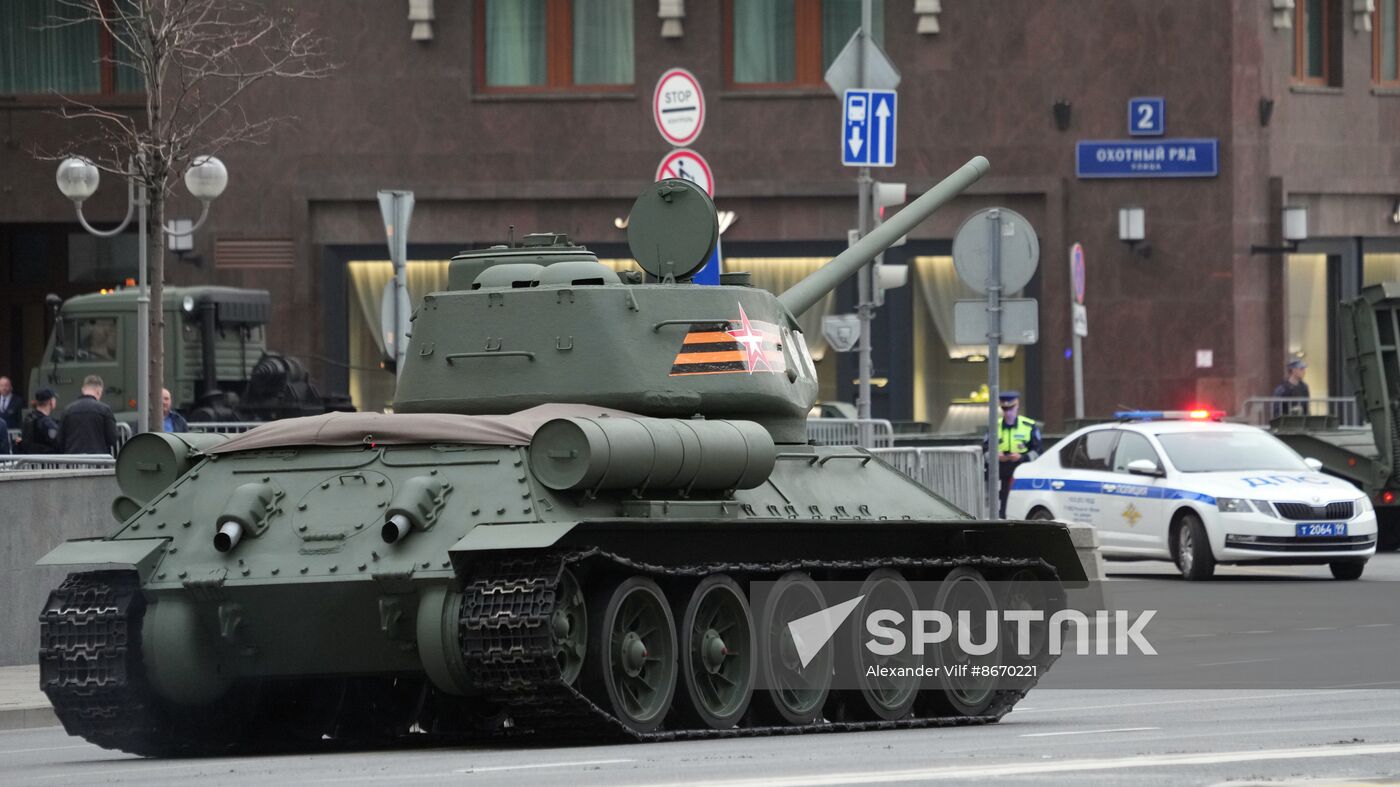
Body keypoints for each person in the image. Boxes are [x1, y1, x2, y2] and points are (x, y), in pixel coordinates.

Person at [995, 390, 1041, 518]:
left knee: (1023, 506)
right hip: (1002, 474)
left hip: (1023, 473)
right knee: (1003, 509)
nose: (1008, 412)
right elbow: (985, 451)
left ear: (1017, 405)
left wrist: (1022, 457)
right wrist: (996, 456)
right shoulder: (994, 426)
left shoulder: (1028, 426)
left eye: (1011, 408)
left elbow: (1038, 452)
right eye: (1004, 409)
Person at [57, 375, 119, 456]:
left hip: (73, 460)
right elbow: (112, 439)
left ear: (83, 390)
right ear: (99, 391)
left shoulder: (67, 410)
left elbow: (60, 440)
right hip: (98, 459)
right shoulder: (105, 410)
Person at [19, 389, 60, 454]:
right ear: (51, 401)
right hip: (46, 458)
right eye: (54, 399)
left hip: (30, 458)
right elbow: (58, 442)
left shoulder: (29, 418)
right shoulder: (47, 423)